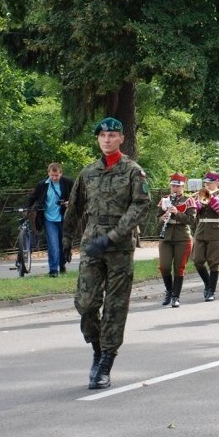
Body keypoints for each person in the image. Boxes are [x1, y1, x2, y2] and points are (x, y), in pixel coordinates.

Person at [62, 117, 150, 390]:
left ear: (122, 139)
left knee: (114, 307)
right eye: (103, 135)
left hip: (119, 249)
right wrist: (66, 237)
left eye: (113, 135)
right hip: (92, 246)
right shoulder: (88, 173)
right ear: (98, 139)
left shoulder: (134, 172)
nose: (107, 139)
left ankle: (106, 363)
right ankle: (97, 348)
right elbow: (74, 207)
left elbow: (140, 206)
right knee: (86, 304)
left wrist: (114, 235)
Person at [157, 173, 197, 308]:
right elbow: (157, 218)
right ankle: (169, 291)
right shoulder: (164, 200)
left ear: (183, 186)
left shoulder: (188, 200)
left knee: (179, 268)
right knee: (164, 266)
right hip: (166, 237)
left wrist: (177, 213)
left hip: (182, 237)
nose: (175, 188)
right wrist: (162, 218)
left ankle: (175, 296)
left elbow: (191, 220)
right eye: (173, 185)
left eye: (178, 186)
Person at [27, 162, 74, 277]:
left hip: (64, 218)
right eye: (52, 175)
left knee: (62, 244)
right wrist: (26, 208)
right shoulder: (42, 185)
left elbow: (77, 196)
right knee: (53, 245)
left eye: (56, 175)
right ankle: (53, 271)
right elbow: (33, 198)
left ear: (61, 173)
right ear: (48, 173)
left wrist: (70, 203)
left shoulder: (68, 182)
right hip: (49, 219)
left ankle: (62, 265)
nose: (54, 178)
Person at [192, 171, 219, 302]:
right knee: (197, 260)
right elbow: (195, 211)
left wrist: (211, 198)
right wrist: (197, 201)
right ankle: (208, 284)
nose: (208, 185)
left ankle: (211, 291)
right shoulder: (201, 194)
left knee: (214, 263)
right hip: (201, 230)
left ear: (218, 182)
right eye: (206, 182)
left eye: (211, 182)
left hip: (216, 231)